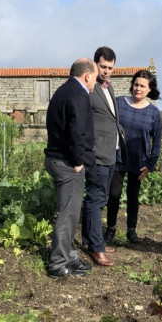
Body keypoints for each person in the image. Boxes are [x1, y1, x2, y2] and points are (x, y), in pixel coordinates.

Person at [44, 58, 98, 278]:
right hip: (67, 163)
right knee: (68, 214)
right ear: (87, 75)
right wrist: (78, 162)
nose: (95, 81)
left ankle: (70, 257)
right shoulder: (79, 95)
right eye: (94, 77)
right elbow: (76, 132)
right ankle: (58, 264)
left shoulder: (63, 91)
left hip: (57, 159)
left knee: (71, 212)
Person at [104, 69, 162, 245]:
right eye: (136, 84)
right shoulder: (120, 103)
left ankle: (131, 230)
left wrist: (151, 164)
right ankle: (111, 228)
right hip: (117, 157)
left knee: (133, 195)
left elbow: (157, 140)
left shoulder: (153, 113)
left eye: (142, 86)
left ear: (149, 89)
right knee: (114, 195)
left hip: (139, 161)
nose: (138, 88)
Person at [81, 46, 124, 267]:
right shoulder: (89, 89)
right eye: (103, 66)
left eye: (110, 67)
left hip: (111, 152)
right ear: (95, 65)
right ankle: (97, 248)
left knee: (98, 199)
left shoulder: (110, 88)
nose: (106, 71)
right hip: (97, 154)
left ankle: (90, 240)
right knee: (96, 199)